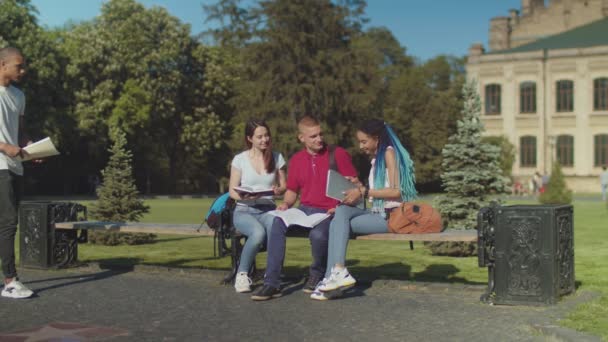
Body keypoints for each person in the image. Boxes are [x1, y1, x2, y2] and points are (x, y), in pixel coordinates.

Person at [250, 115, 358, 301]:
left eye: (320, 134)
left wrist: (340, 206)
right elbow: (292, 190)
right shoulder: (297, 160)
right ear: (302, 138)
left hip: (329, 211)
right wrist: (286, 204)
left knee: (318, 235)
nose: (319, 139)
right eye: (313, 136)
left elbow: (354, 187)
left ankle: (317, 274)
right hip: (305, 209)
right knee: (277, 222)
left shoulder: (338, 154)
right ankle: (271, 283)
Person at [311, 119, 416, 300]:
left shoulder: (390, 154)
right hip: (378, 212)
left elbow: (397, 191)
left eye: (364, 141)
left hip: (391, 216)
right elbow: (378, 192)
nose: (361, 146)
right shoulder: (378, 159)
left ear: (376, 138)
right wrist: (359, 185)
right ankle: (336, 274)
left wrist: (363, 190)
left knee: (338, 221)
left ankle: (332, 277)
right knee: (341, 213)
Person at [229, 119, 286, 293]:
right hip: (244, 210)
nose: (264, 140)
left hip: (268, 210)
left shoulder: (277, 157)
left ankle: (272, 278)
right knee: (258, 233)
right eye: (259, 137)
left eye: (266, 135)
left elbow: (285, 187)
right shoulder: (240, 160)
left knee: (277, 229)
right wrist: (243, 195)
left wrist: (278, 190)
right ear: (249, 138)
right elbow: (232, 191)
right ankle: (242, 274)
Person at [0, 47, 34, 299]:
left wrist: (31, 149)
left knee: (8, 223)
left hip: (15, 166)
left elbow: (21, 132)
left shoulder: (19, 95)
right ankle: (10, 281)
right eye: (18, 66)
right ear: (2, 65)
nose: (23, 70)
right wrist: (4, 147)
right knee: (9, 223)